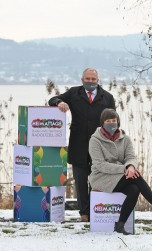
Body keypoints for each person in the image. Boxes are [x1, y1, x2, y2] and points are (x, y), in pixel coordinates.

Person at [89, 108, 152, 235]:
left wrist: (131, 166)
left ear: (118, 122)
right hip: (102, 178)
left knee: (134, 189)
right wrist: (125, 169)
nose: (111, 123)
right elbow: (100, 165)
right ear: (102, 123)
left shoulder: (125, 138)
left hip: (121, 176)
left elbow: (131, 157)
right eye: (108, 121)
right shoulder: (95, 140)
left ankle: (120, 225)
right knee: (135, 177)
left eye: (114, 120)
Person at [49, 68, 115, 222]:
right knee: (80, 180)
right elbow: (52, 100)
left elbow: (114, 121)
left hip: (100, 145)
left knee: (96, 180)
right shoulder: (74, 93)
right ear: (82, 79)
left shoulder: (107, 97)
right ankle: (84, 214)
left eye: (93, 79)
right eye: (87, 79)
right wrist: (60, 102)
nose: (90, 81)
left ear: (98, 80)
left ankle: (95, 212)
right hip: (78, 144)